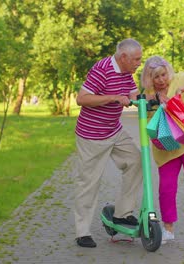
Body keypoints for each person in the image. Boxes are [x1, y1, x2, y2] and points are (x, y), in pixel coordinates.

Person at [73, 38, 144, 248]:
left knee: (136, 161)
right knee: (89, 182)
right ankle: (82, 232)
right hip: (91, 135)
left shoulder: (126, 72)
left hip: (114, 130)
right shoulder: (102, 69)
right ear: (123, 57)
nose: (139, 63)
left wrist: (146, 98)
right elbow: (82, 99)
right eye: (136, 59)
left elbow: (132, 92)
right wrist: (113, 98)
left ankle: (122, 214)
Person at [140, 55, 184, 246]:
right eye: (156, 77)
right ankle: (168, 229)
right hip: (166, 147)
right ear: (150, 79)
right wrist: (156, 101)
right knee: (166, 189)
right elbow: (147, 119)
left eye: (163, 74)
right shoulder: (148, 93)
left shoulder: (179, 79)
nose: (161, 80)